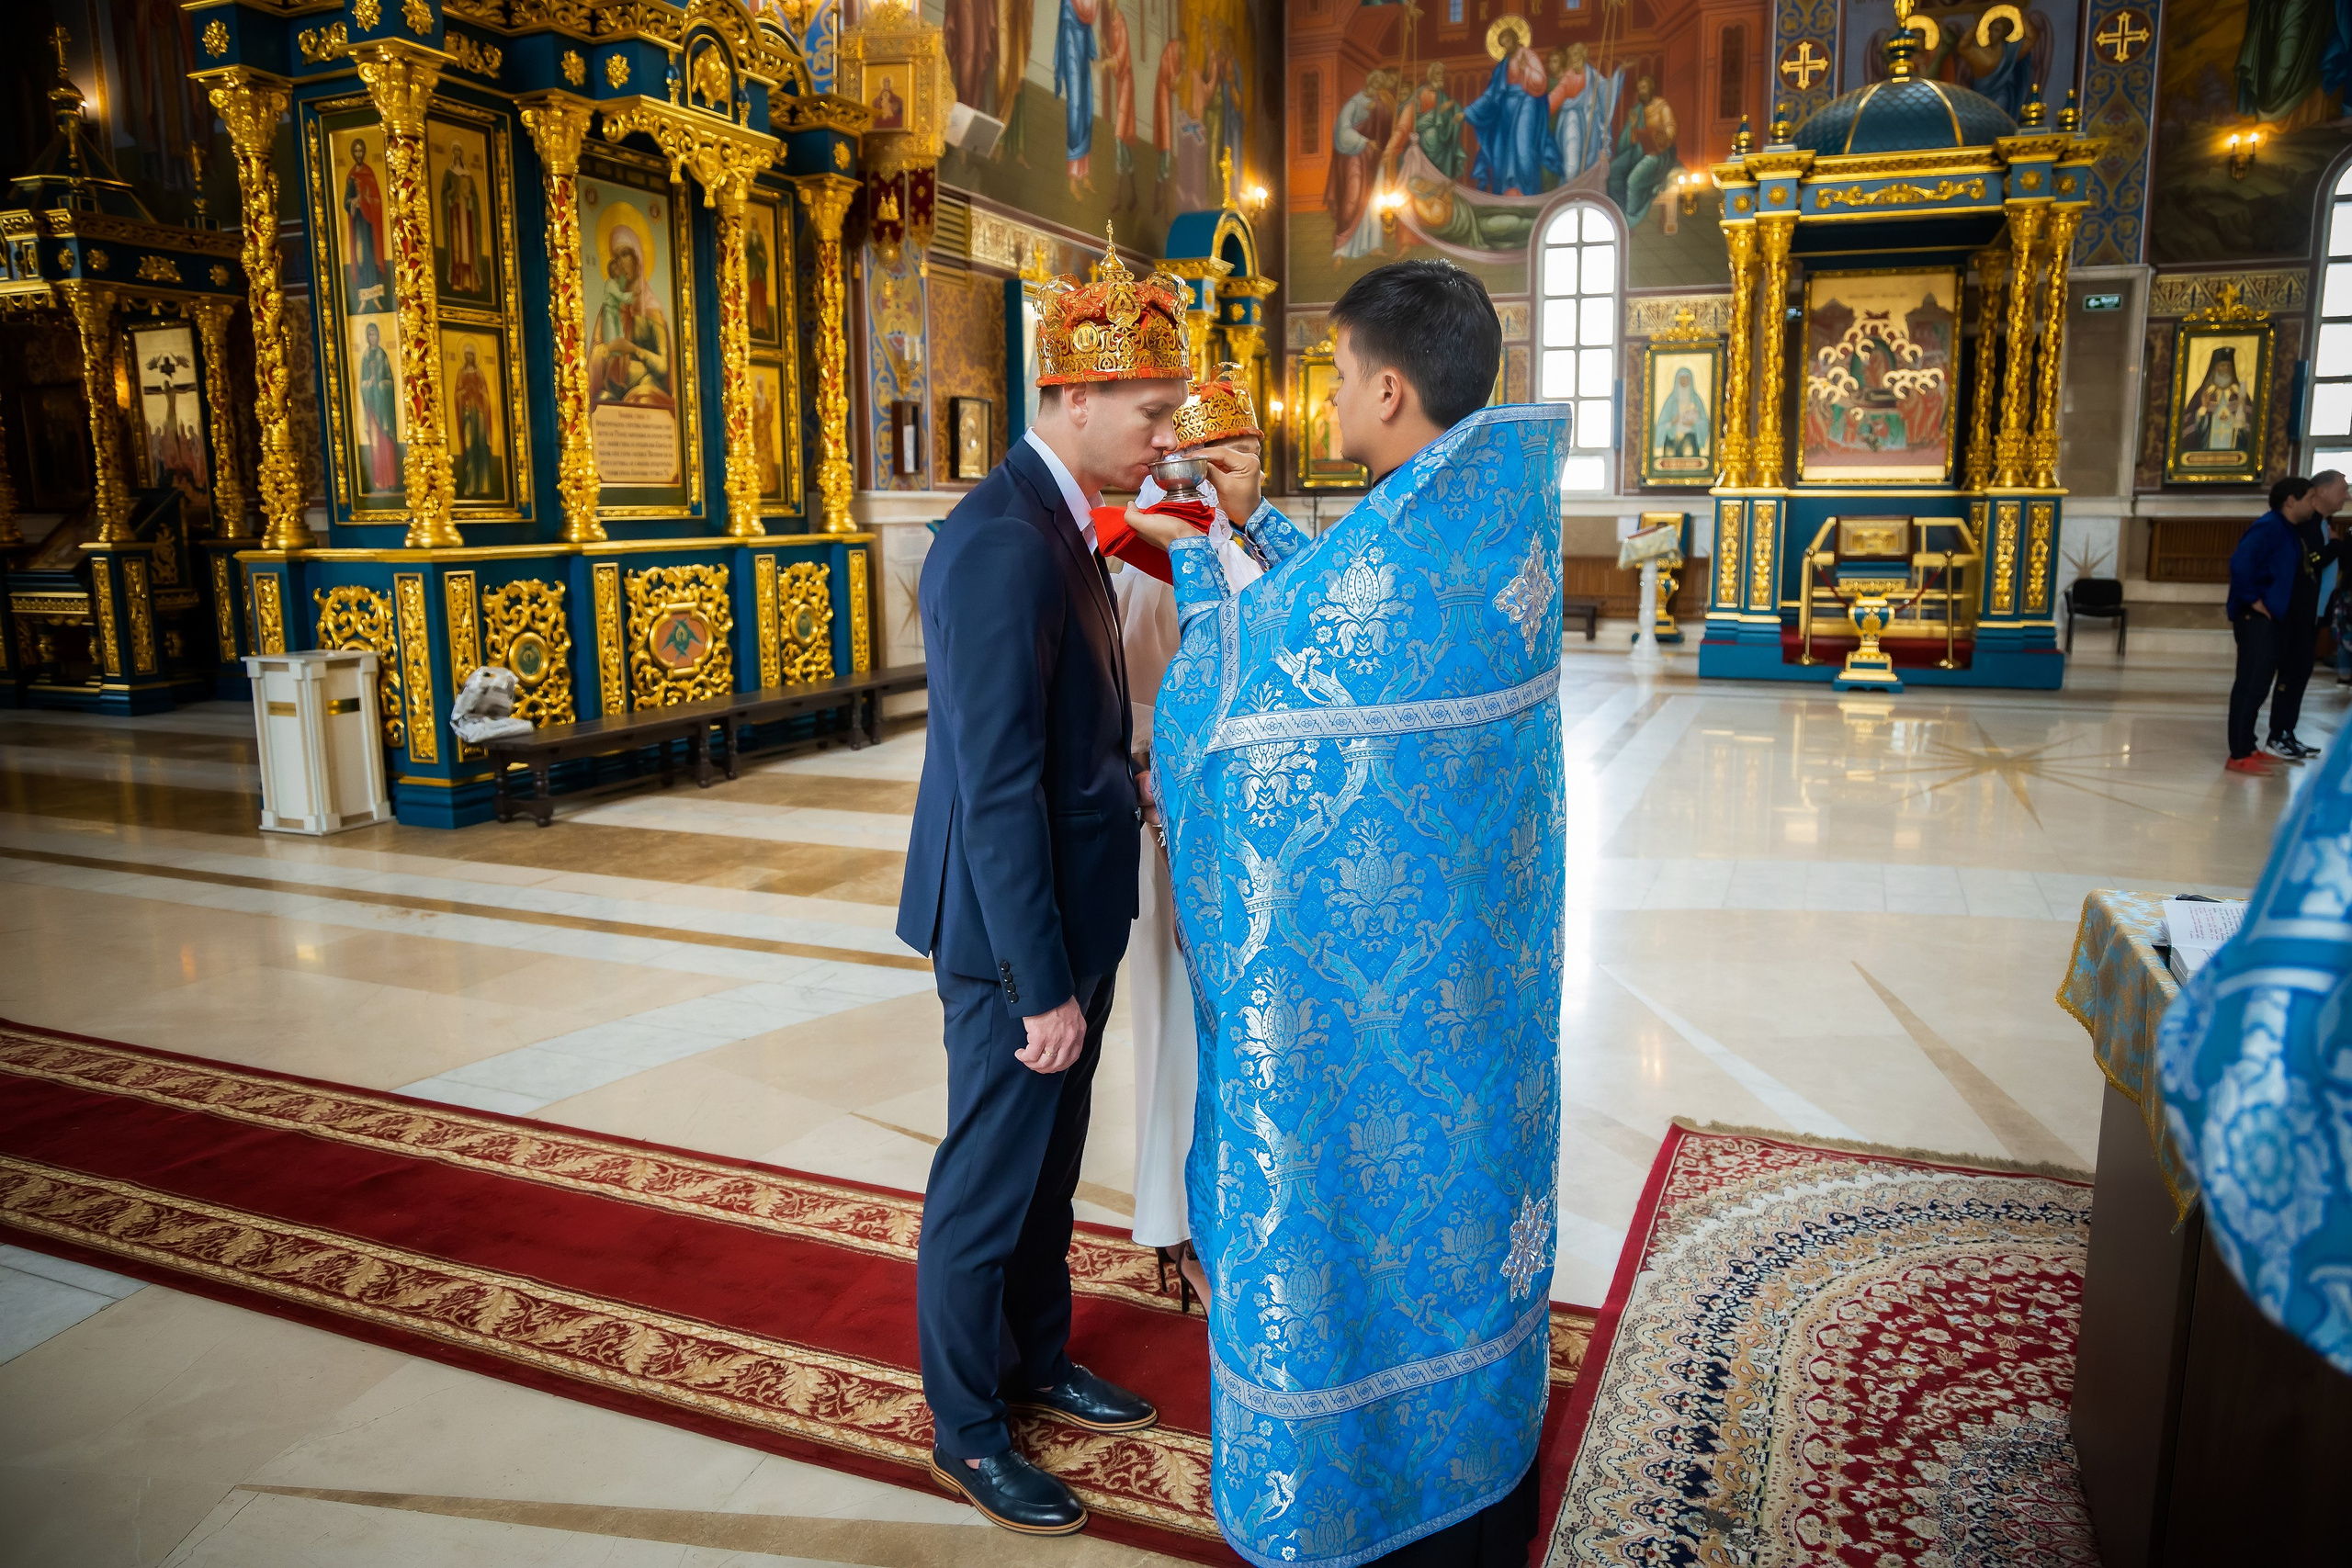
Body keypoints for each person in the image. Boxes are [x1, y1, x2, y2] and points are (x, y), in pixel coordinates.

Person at [1121, 260, 1565, 1567]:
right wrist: (1249, 527)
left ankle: (1356, 1488)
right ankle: (1474, 1450)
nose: (1319, 395)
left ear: (1387, 385)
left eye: (1331, 372)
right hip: (1474, 1005)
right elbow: (1349, 605)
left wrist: (1204, 568)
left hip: (1366, 1026)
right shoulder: (1483, 526)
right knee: (1460, 1203)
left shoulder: (1415, 538)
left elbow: (1237, 715)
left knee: (1349, 1207)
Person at [895, 232, 1191, 1539]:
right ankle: (968, 1426)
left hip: (1076, 914)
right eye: (1150, 410)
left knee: (1050, 1172)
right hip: (1020, 940)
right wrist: (1038, 985)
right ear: (1072, 397)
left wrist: (1123, 786)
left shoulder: (1063, 521)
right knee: (987, 1181)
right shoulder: (1002, 542)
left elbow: (1067, 734)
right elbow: (994, 786)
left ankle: (1037, 1357)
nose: (1163, 436)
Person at [1114, 365, 1266, 1316]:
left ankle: (1216, 1215)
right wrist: (1169, 813)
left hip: (1241, 826)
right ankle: (1173, 1230)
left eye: (1249, 452)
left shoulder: (1233, 538)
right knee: (1174, 1031)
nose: (1243, 469)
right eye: (1228, 454)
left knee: (1225, 1038)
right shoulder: (1152, 544)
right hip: (1176, 826)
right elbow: (1143, 698)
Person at [2225, 475, 2314, 773]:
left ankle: (2249, 745)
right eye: (2310, 498)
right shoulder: (2270, 526)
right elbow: (2240, 562)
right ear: (2291, 500)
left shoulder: (2288, 530)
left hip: (2274, 618)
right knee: (2250, 685)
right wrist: (2253, 599)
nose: (2314, 504)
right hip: (2257, 620)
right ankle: (2238, 755)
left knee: (2260, 685)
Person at [2266, 468, 2349, 760]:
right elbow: (2310, 563)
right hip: (2299, 613)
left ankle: (2288, 732)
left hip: (2315, 613)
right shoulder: (2308, 524)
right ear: (2322, 492)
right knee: (2292, 673)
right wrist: (2337, 545)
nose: (2347, 496)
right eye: (2343, 489)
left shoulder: (2325, 523)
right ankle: (2278, 735)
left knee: (2301, 673)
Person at [1608, 76, 1680, 226]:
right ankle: (1620, 211)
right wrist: (1634, 126)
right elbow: (1632, 140)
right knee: (1613, 172)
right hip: (1639, 150)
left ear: (1651, 88)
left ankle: (1630, 219)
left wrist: (1662, 138)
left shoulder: (1662, 106)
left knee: (1633, 181)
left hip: (1659, 153)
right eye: (1640, 88)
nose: (1642, 91)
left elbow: (1671, 129)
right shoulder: (1637, 110)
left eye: (1644, 87)